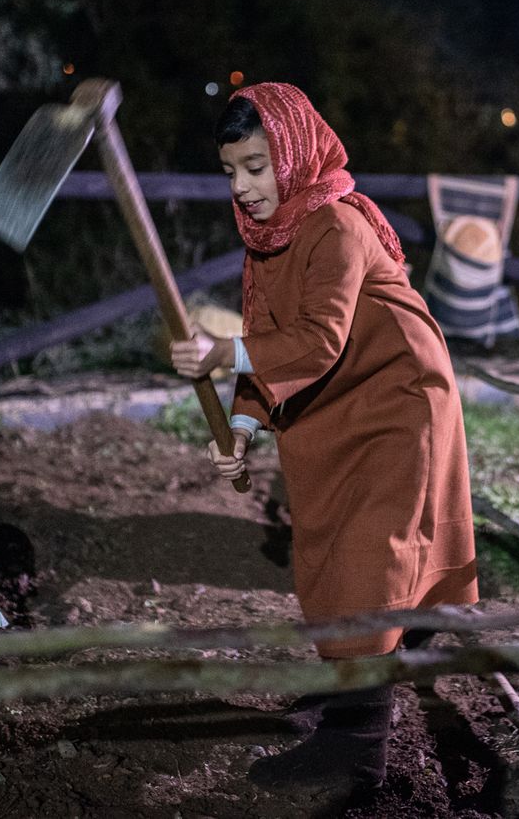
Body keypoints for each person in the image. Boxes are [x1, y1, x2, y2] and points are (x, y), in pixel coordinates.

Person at [170, 81, 478, 793]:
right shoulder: (269, 238)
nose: (244, 188)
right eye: (230, 172)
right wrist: (243, 422)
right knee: (328, 548)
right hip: (335, 404)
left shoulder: (335, 225)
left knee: (369, 559)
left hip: (398, 402)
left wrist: (223, 350)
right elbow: (272, 335)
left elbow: (317, 338)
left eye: (256, 166)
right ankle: (349, 694)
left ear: (296, 152)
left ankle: (356, 747)